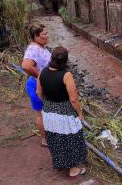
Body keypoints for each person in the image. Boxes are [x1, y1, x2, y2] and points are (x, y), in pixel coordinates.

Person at [36, 46, 87, 177]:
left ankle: (60, 163)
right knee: (71, 138)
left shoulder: (42, 72)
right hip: (64, 111)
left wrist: (48, 103)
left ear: (52, 58)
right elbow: (74, 99)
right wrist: (80, 113)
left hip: (48, 111)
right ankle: (73, 169)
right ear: (65, 61)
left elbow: (38, 92)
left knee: (55, 137)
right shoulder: (66, 75)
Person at [22, 23, 51, 147]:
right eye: (44, 34)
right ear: (36, 36)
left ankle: (50, 134)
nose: (47, 36)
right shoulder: (33, 49)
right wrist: (40, 77)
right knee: (41, 113)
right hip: (37, 85)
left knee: (47, 111)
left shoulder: (40, 46)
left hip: (42, 84)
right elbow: (26, 66)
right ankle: (45, 139)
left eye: (46, 33)